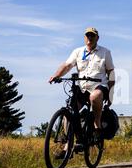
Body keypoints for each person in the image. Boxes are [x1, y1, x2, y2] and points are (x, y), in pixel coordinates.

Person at [49, 27, 115, 157]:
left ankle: (97, 126)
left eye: (92, 36)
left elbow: (111, 73)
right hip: (82, 87)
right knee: (71, 110)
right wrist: (57, 75)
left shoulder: (105, 52)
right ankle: (68, 147)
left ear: (97, 38)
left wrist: (111, 94)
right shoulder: (78, 52)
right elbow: (67, 65)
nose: (90, 38)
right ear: (84, 38)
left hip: (98, 86)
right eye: (87, 36)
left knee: (94, 97)